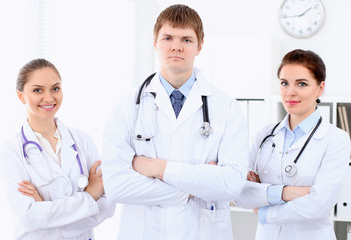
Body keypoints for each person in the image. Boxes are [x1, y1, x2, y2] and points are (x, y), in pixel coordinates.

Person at [101, 4, 248, 240]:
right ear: (155, 42)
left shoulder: (227, 107)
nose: (176, 46)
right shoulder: (127, 107)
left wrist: (156, 168)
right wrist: (193, 189)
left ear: (200, 45)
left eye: (186, 39)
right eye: (168, 37)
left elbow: (232, 184)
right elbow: (117, 186)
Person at [235, 49, 351, 239]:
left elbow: (319, 205)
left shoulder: (336, 139)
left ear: (320, 88)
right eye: (284, 83)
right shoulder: (265, 135)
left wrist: (264, 209)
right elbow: (240, 192)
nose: (290, 92)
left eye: (302, 84)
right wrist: (286, 192)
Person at [0, 58, 115, 240]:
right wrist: (89, 196)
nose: (49, 98)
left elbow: (107, 205)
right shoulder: (11, 151)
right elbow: (29, 218)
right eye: (38, 90)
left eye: (55, 88)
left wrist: (46, 213)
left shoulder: (82, 140)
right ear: (21, 96)